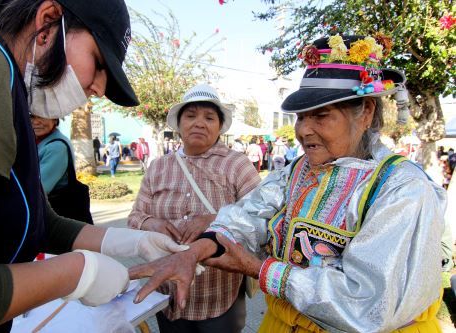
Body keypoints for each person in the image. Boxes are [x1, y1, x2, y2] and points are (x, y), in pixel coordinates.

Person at [130, 35, 447, 333]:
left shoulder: (402, 189)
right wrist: (196, 250)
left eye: (320, 116)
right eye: (300, 117)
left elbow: (369, 303)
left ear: (365, 112)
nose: (304, 130)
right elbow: (248, 214)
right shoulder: (298, 171)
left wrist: (260, 269)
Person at [0, 1, 189, 332]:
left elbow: (39, 221)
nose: (99, 89)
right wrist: (73, 274)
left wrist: (131, 242)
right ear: (48, 21)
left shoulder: (13, 95)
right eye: (97, 62)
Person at [127, 83, 261, 333]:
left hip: (220, 293)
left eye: (209, 117)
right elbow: (134, 217)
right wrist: (151, 223)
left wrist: (216, 218)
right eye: (190, 115)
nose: (199, 123)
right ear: (178, 124)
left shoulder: (237, 165)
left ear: (220, 127)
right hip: (168, 292)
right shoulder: (158, 167)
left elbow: (261, 218)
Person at [31, 115, 70, 194]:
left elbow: (38, 188)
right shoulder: (37, 141)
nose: (35, 122)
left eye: (42, 116)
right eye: (31, 116)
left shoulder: (56, 147)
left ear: (55, 120)